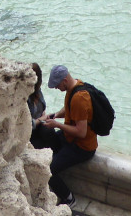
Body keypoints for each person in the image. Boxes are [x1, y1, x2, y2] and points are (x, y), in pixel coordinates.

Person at [41, 64, 97, 207]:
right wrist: (54, 116)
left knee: (49, 170)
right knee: (46, 135)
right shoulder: (75, 86)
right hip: (70, 138)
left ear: (64, 80)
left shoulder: (80, 98)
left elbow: (81, 132)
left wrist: (57, 125)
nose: (56, 88)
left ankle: (68, 198)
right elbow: (69, 109)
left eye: (57, 85)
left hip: (81, 147)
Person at [28, 62, 55, 149]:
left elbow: (42, 109)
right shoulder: (24, 97)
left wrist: (44, 116)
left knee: (49, 130)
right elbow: (28, 125)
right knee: (42, 144)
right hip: (29, 133)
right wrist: (42, 119)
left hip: (39, 125)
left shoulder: (37, 91)